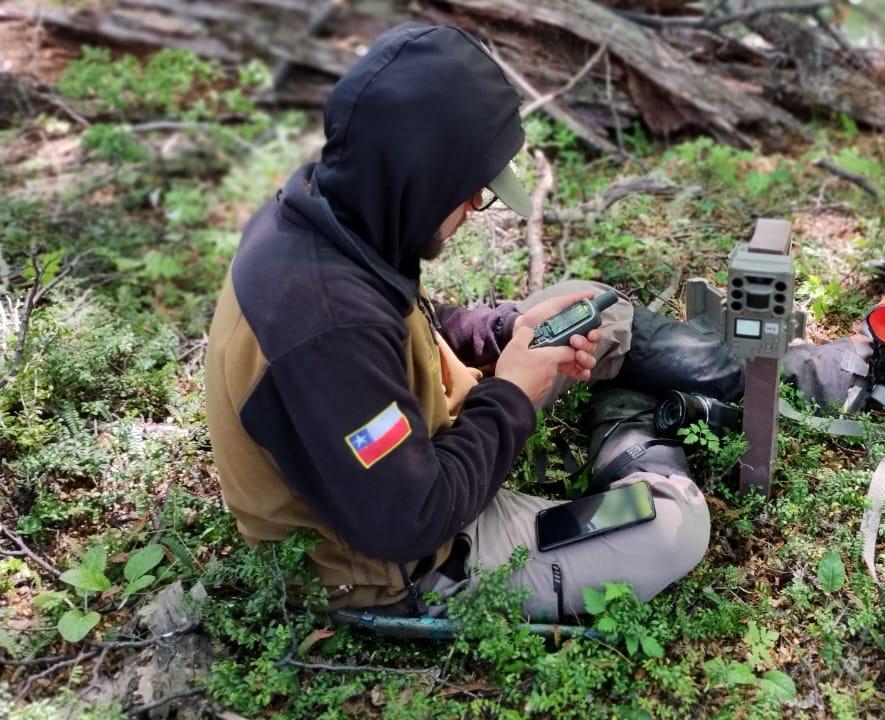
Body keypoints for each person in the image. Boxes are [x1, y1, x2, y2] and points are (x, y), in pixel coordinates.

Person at [204, 23, 742, 621]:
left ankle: (730, 378)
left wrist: (496, 332)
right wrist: (514, 395)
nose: (473, 209)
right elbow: (412, 519)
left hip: (410, 450)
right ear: (421, 177)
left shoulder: (335, 211)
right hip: (400, 558)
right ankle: (630, 430)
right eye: (471, 192)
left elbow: (398, 325)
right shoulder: (325, 329)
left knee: (576, 302)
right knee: (678, 524)